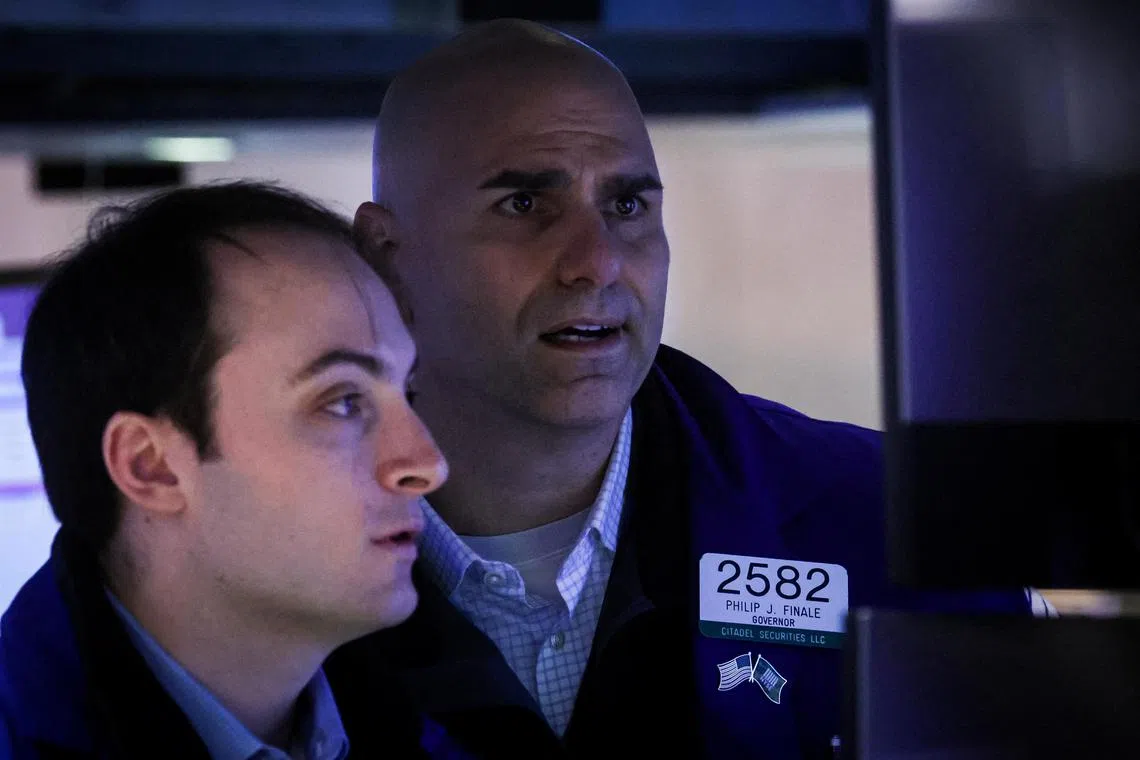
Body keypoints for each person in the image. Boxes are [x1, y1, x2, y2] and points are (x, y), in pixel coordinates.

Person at [331, 19, 1044, 760]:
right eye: (526, 206)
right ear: (388, 257)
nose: (597, 264)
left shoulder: (904, 530)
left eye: (628, 206)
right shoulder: (245, 557)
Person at [0, 182, 475, 759]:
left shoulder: (426, 724)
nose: (427, 464)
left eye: (408, 390)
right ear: (152, 467)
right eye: (343, 401)